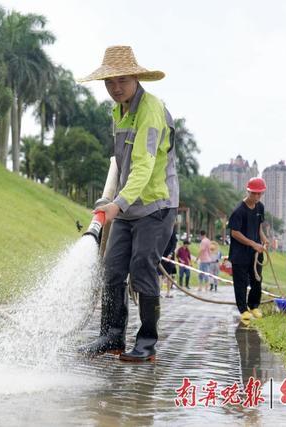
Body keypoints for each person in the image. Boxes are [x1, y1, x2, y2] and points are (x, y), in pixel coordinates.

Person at [77, 46, 179, 362]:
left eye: (121, 80)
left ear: (135, 77)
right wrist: (113, 201)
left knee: (141, 268)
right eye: (109, 82)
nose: (115, 87)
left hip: (156, 206)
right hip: (125, 206)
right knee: (112, 270)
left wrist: (116, 204)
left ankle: (146, 343)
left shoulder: (150, 110)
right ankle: (111, 337)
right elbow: (121, 163)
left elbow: (144, 165)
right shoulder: (118, 111)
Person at [228, 177, 270, 324]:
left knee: (257, 279)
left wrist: (263, 239)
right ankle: (243, 310)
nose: (257, 197)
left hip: (255, 253)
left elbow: (258, 227)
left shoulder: (260, 208)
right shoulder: (239, 211)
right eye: (254, 193)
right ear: (248, 191)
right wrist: (252, 243)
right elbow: (235, 233)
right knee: (240, 283)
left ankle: (254, 306)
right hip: (240, 254)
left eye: (260, 194)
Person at [159, 224, 178, 297]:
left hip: (169, 256)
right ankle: (159, 292)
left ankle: (168, 292)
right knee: (159, 274)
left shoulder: (172, 229)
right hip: (160, 255)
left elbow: (174, 244)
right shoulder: (159, 227)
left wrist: (170, 254)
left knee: (169, 274)